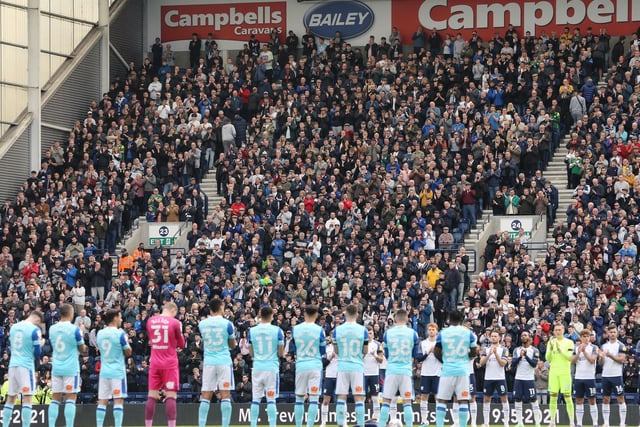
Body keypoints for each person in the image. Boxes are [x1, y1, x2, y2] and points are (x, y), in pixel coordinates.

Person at [433, 310, 478, 427]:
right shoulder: (468, 333)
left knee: (442, 400)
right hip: (463, 370)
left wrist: (445, 361)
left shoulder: (442, 333)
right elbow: (474, 352)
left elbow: (436, 351)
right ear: (461, 320)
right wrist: (465, 358)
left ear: (449, 320)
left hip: (447, 370)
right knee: (463, 400)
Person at [144, 302, 186, 427]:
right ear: (173, 310)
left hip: (155, 362)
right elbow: (182, 344)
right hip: (169, 363)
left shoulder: (150, 321)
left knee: (151, 396)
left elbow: (151, 340)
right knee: (171, 395)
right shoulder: (175, 323)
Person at [377, 309, 420, 427]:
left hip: (391, 370)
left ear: (395, 319)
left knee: (386, 401)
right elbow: (415, 354)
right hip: (405, 370)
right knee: (407, 403)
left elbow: (386, 354)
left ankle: (381, 425)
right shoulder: (413, 333)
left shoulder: (388, 333)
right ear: (407, 319)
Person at [198, 298, 236, 427]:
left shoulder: (202, 324)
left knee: (206, 395)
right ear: (221, 308)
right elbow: (232, 345)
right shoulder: (228, 324)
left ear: (210, 309)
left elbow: (204, 341)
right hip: (224, 361)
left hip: (209, 361)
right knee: (225, 395)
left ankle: (201, 425)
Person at [2, 311, 44, 427]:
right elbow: (37, 353)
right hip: (25, 366)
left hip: (13, 365)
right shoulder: (34, 330)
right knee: (28, 398)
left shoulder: (14, 327)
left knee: (10, 398)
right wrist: (41, 344)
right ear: (37, 320)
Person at [48, 303, 86, 427]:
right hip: (70, 367)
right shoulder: (75, 329)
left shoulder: (52, 329)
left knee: (55, 398)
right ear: (70, 313)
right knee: (71, 398)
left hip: (57, 367)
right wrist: (82, 334)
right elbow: (82, 349)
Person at [248, 306, 284, 427]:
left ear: (260, 315)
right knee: (271, 399)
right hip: (271, 368)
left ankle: (253, 424)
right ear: (271, 316)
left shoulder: (252, 331)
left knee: (256, 399)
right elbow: (280, 353)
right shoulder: (277, 330)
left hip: (257, 367)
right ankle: (272, 425)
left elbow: (251, 352)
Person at [334, 304, 368, 427]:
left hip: (342, 366)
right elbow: (365, 351)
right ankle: (360, 424)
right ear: (357, 314)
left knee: (341, 397)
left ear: (345, 314)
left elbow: (336, 350)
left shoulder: (337, 330)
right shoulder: (363, 330)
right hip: (357, 367)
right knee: (359, 398)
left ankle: (340, 424)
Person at [96, 309, 132, 427]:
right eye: (120, 317)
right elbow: (128, 352)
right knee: (118, 400)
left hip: (104, 371)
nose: (121, 319)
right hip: (117, 371)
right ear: (115, 318)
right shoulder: (120, 334)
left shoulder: (100, 333)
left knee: (102, 400)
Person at [292, 305, 326, 427]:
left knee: (299, 398)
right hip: (315, 365)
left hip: (301, 365)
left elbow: (295, 348)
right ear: (316, 315)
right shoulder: (319, 330)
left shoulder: (295, 329)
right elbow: (323, 351)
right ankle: (310, 425)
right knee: (314, 399)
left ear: (304, 314)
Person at [511, 331, 542, 427]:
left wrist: (526, 356)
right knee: (517, 399)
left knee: (533, 399)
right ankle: (520, 423)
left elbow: (534, 364)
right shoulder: (516, 350)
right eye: (522, 335)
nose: (523, 337)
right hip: (518, 378)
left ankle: (537, 423)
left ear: (529, 337)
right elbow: (513, 364)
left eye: (525, 335)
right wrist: (520, 356)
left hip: (529, 379)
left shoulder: (535, 350)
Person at [479, 329, 510, 427]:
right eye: (492, 336)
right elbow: (481, 363)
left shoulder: (504, 349)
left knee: (504, 398)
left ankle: (506, 422)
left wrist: (496, 354)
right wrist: (489, 354)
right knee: (486, 399)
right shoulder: (485, 349)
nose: (493, 338)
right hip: (488, 378)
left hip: (500, 378)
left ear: (499, 338)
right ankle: (486, 422)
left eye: (496, 336)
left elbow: (503, 364)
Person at [546, 323, 575, 427]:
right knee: (553, 396)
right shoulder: (551, 342)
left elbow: (569, 358)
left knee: (568, 396)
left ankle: (571, 422)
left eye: (559, 329)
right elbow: (548, 358)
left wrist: (560, 350)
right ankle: (552, 421)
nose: (558, 331)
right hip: (553, 372)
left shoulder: (569, 342)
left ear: (563, 331)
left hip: (565, 373)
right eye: (556, 330)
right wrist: (550, 349)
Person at [599, 325, 627, 427]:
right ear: (608, 334)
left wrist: (610, 355)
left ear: (617, 333)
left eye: (614, 332)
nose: (612, 334)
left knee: (620, 398)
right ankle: (606, 422)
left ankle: (622, 423)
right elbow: (601, 363)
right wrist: (601, 357)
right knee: (605, 399)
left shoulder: (621, 345)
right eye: (610, 332)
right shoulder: (603, 346)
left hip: (616, 375)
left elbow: (622, 360)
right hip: (605, 375)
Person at [571, 329, 599, 427]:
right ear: (581, 337)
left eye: (588, 336)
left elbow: (592, 360)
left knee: (592, 400)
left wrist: (584, 352)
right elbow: (572, 361)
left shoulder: (594, 347)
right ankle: (579, 423)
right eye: (584, 336)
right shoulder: (576, 348)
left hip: (590, 378)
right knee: (579, 400)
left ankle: (595, 423)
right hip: (579, 377)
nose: (586, 338)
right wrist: (579, 352)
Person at [417, 323, 442, 427]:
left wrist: (435, 352)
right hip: (426, 373)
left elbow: (444, 359)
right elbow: (419, 358)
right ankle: (424, 420)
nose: (431, 331)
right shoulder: (423, 343)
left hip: (437, 373)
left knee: (438, 397)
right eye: (430, 330)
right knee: (424, 396)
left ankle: (439, 421)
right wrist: (427, 352)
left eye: (433, 330)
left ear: (436, 331)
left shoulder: (440, 343)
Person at [364, 326, 384, 421]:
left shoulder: (377, 344)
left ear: (373, 334)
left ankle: (377, 416)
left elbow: (381, 360)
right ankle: (361, 416)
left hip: (374, 373)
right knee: (361, 396)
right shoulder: (361, 344)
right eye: (367, 333)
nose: (369, 335)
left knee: (375, 396)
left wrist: (374, 355)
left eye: (370, 333)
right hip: (363, 374)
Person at [320, 333, 338, 427]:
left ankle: (342, 421)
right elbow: (322, 364)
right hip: (329, 376)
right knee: (326, 400)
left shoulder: (343, 347)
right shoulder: (327, 348)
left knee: (341, 400)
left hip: (340, 376)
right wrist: (331, 358)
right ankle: (323, 422)